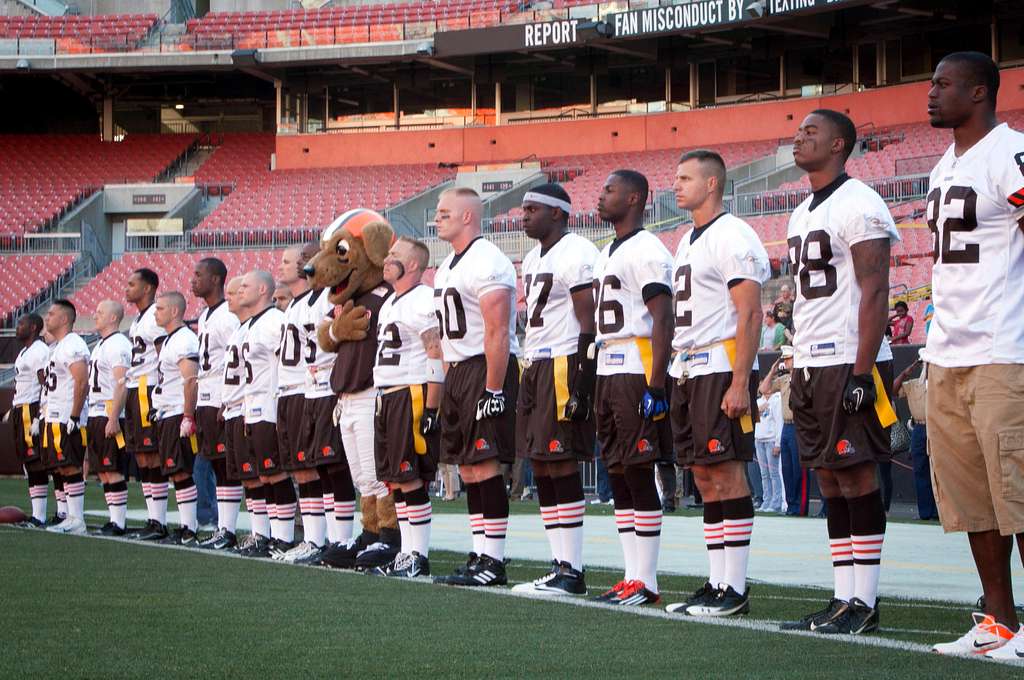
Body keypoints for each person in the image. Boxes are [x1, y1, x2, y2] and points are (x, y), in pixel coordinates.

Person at [779, 109, 899, 636]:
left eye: (811, 132)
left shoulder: (861, 203)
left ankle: (865, 601)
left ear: (839, 145)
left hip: (847, 357)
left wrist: (861, 369)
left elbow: (875, 289)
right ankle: (842, 596)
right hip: (809, 360)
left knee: (855, 473)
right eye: (799, 131)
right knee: (828, 477)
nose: (799, 138)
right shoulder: (801, 211)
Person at [923, 52, 1024, 659]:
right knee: (973, 499)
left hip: (1003, 348)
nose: (931, 95)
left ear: (980, 91)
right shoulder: (942, 166)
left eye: (944, 84)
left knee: (1019, 490)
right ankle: (1000, 621)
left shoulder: (1009, 152)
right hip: (948, 351)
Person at [662, 150, 769, 617]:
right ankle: (716, 580)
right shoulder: (687, 239)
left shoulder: (733, 234)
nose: (677, 185)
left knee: (726, 473)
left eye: (686, 177)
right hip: (687, 369)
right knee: (703, 476)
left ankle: (735, 587)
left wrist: (741, 381)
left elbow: (749, 311)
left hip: (719, 366)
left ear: (711, 184)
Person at [509, 183, 598, 597]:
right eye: (523, 209)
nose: (523, 216)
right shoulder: (530, 257)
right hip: (537, 363)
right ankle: (559, 563)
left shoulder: (577, 251)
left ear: (558, 213)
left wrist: (583, 377)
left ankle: (572, 567)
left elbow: (588, 320)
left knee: (560, 462)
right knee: (541, 464)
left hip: (563, 361)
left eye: (532, 209)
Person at [590, 170, 673, 606]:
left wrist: (656, 385)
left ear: (635, 198)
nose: (601, 197)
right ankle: (630, 575)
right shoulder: (608, 251)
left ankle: (648, 579)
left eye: (610, 190)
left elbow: (663, 317)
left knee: (639, 470)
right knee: (618, 471)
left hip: (635, 366)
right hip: (608, 365)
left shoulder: (646, 249)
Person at [431, 187, 520, 587]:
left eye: (445, 212)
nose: (438, 217)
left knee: (484, 465)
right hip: (460, 371)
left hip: (487, 366)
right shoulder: (448, 264)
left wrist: (495, 389)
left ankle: (494, 560)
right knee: (467, 467)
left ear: (469, 216)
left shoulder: (488, 260)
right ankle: (479, 551)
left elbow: (498, 330)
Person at [370, 237, 444, 578]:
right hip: (386, 395)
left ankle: (418, 555)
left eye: (395, 256)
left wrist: (431, 407)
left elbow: (434, 351)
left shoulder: (423, 299)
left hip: (409, 393)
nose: (387, 259)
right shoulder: (389, 303)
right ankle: (405, 551)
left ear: (413, 264)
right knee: (396, 481)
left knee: (411, 477)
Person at [274, 245, 331, 563]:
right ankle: (312, 537)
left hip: (309, 388)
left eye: (287, 261)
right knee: (302, 470)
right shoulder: (296, 304)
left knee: (315, 469)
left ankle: (321, 539)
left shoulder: (320, 299)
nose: (280, 267)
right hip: (293, 390)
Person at [234, 270, 295, 558]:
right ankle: (268, 534)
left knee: (276, 473)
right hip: (252, 405)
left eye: (245, 286)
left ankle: (283, 537)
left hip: (270, 405)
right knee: (264, 475)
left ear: (262, 290)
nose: (239, 290)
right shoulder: (251, 325)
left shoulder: (274, 321)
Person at [192, 257, 242, 550]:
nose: (193, 280)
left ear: (215, 279)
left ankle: (228, 528)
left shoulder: (228, 315)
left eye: (199, 275)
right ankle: (223, 527)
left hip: (221, 396)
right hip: (206, 395)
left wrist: (227, 398)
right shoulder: (205, 316)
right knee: (213, 460)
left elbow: (234, 360)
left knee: (224, 465)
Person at [220, 276, 269, 554]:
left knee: (264, 474)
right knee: (250, 476)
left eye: (239, 290)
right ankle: (258, 532)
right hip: (237, 406)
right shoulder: (242, 328)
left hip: (254, 405)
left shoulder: (268, 322)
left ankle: (267, 534)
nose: (233, 295)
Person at [118, 268, 168, 541]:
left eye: (132, 283)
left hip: (148, 388)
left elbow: (163, 356)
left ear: (147, 288)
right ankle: (153, 518)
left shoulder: (154, 317)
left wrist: (160, 392)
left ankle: (159, 521)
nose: (127, 288)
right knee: (141, 456)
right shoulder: (139, 319)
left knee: (153, 455)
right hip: (136, 389)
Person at [151, 292, 202, 545]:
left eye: (160, 308)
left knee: (182, 471)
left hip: (176, 412)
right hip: (166, 411)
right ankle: (185, 526)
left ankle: (189, 528)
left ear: (174, 311)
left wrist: (188, 415)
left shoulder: (183, 339)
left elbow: (190, 380)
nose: (155, 312)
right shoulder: (172, 339)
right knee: (176, 472)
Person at [41, 300, 90, 535]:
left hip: (66, 416)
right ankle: (69, 516)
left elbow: (82, 381)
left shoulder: (73, 344)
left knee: (70, 466)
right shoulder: (58, 346)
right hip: (54, 415)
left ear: (64, 319)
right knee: (61, 468)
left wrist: (74, 414)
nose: (47, 318)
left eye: (51, 314)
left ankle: (77, 519)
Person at [86, 300, 132, 536]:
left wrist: (113, 417)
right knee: (103, 471)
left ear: (113, 318)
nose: (95, 316)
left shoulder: (118, 344)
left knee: (112, 468)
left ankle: (119, 522)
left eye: (100, 312)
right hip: (95, 412)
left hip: (107, 412)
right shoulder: (101, 344)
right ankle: (113, 519)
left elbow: (121, 384)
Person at [6, 313, 49, 527]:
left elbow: (46, 383)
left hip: (32, 408)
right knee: (28, 462)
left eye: (21, 323)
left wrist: (40, 414)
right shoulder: (25, 352)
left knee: (35, 461)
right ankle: (37, 514)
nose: (17, 326)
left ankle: (40, 516)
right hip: (21, 407)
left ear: (33, 327)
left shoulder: (39, 351)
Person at [893, 357, 936, 521]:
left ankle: (940, 512)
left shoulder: (941, 384)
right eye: (926, 364)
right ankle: (925, 513)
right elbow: (893, 390)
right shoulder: (913, 385)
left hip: (936, 427)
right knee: (920, 470)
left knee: (939, 471)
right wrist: (905, 373)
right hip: (919, 428)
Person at [754, 383, 784, 513]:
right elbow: (753, 419)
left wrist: (778, 443)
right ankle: (766, 500)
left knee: (773, 473)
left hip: (771, 441)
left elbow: (779, 422)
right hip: (759, 440)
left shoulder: (776, 401)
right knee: (764, 474)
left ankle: (776, 502)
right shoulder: (758, 401)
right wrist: (758, 410)